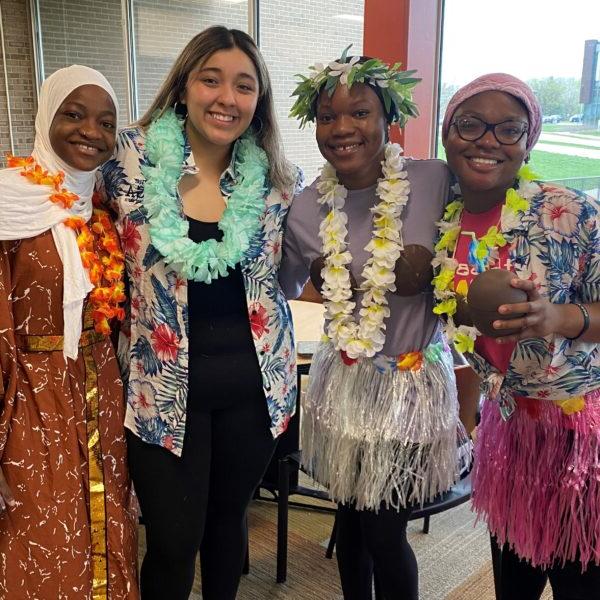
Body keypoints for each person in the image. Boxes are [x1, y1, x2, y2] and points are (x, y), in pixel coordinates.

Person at [100, 25, 299, 600]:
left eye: (243, 85)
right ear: (183, 85)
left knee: (227, 530)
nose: (226, 98)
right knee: (172, 541)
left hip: (255, 391)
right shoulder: (126, 162)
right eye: (210, 79)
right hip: (159, 393)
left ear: (257, 101)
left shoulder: (278, 182)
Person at [280, 48, 468, 600]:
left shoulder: (436, 180)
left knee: (386, 532)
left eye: (359, 112)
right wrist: (317, 276)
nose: (342, 129)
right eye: (327, 116)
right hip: (342, 383)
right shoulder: (307, 206)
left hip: (411, 387)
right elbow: (287, 286)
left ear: (390, 119)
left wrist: (437, 278)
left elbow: (481, 248)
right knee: (352, 526)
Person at [435, 72, 600, 599]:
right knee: (514, 583)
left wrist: (560, 319)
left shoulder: (570, 213)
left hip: (581, 437)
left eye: (509, 129)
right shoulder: (442, 218)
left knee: (582, 583)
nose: (487, 139)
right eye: (470, 124)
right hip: (507, 430)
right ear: (446, 132)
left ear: (529, 141)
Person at [0, 66, 138, 598]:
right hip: (27, 399)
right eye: (74, 115)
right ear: (45, 118)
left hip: (98, 391)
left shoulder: (98, 209)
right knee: (38, 537)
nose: (91, 132)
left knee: (102, 526)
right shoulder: (10, 204)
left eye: (106, 122)